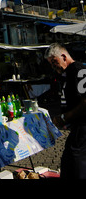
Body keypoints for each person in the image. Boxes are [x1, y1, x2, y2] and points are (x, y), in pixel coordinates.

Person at [44, 42, 86, 179]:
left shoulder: (78, 70)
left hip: (83, 127)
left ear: (63, 56)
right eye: (50, 63)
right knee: (69, 161)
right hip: (76, 127)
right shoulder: (67, 74)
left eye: (54, 61)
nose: (53, 66)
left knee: (75, 161)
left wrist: (64, 117)